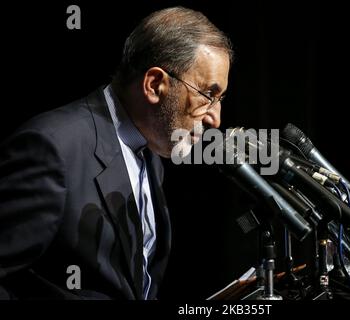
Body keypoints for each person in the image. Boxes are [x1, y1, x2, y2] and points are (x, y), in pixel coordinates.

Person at [0, 6, 233, 299]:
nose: (215, 118)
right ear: (154, 85)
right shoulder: (52, 149)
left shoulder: (150, 147)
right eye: (207, 95)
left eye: (220, 98)